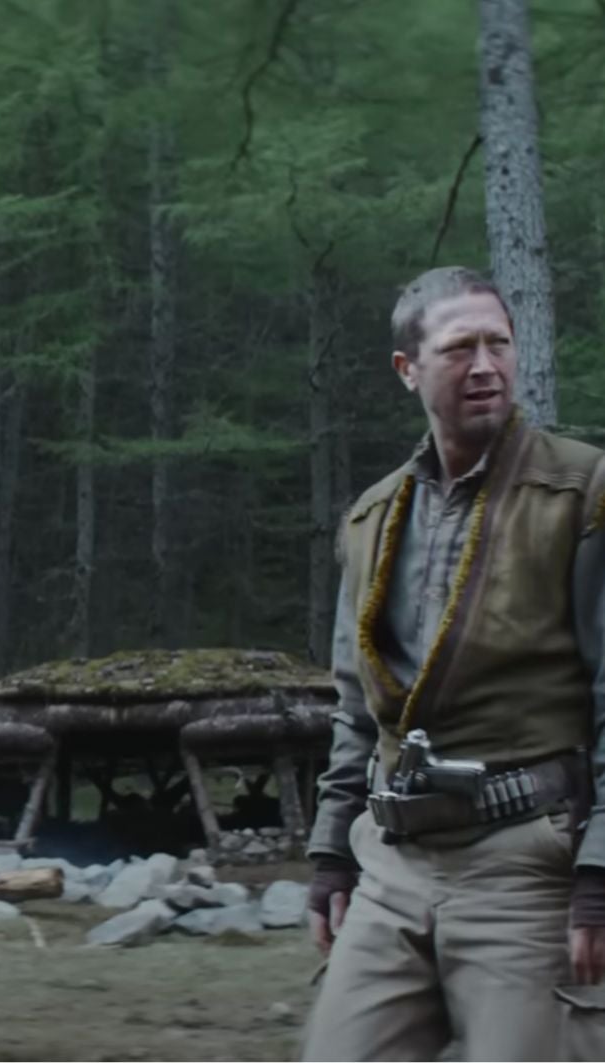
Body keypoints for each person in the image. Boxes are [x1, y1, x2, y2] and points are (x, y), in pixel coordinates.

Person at [301, 266, 605, 1060]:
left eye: (499, 344)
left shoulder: (583, 492)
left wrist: (599, 872)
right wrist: (331, 852)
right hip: (394, 861)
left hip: (528, 863)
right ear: (408, 368)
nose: (485, 366)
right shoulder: (372, 518)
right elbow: (355, 706)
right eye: (460, 348)